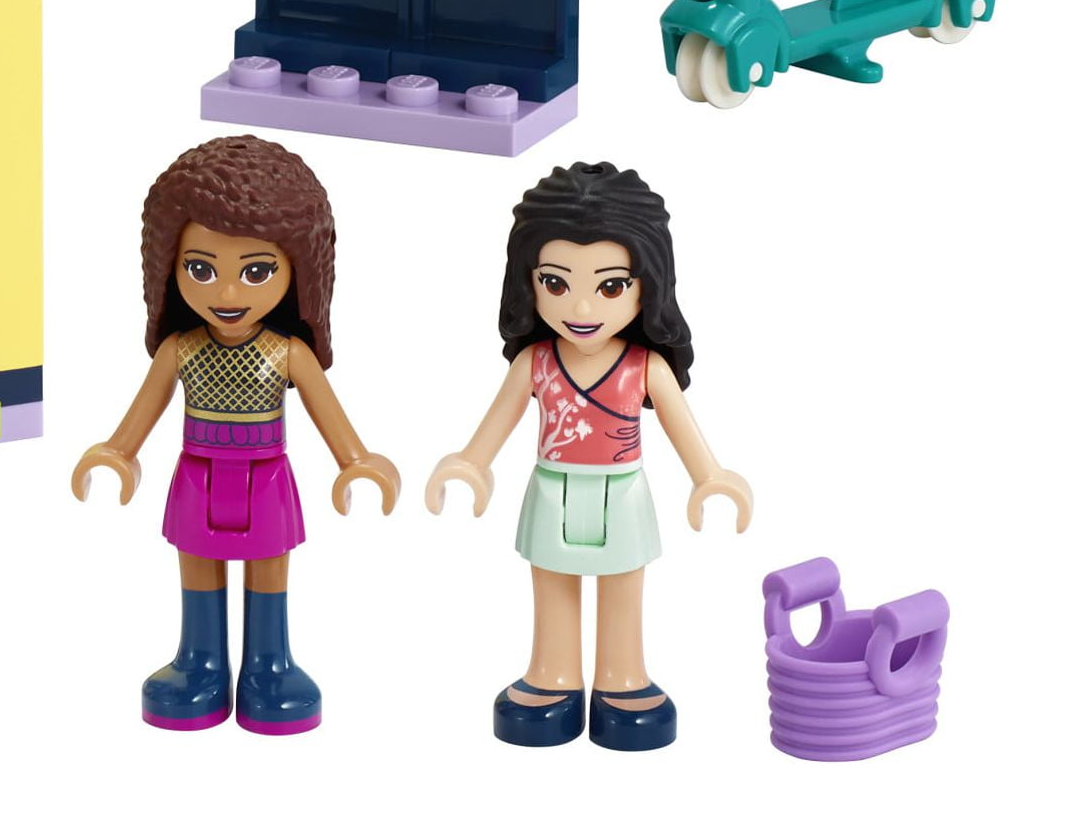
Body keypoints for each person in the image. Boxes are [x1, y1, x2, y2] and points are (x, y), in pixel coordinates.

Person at [73, 135, 397, 733]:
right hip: (196, 475)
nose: (226, 294)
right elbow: (141, 414)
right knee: (197, 566)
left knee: (269, 568)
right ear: (169, 267)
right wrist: (117, 454)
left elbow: (331, 418)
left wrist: (356, 461)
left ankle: (269, 665)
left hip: (266, 476)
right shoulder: (180, 349)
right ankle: (199, 662)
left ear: (296, 271)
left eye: (256, 272)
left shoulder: (287, 352)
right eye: (201, 269)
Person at [427, 159, 752, 749]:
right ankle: (552, 673)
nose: (581, 310)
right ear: (527, 282)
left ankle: (622, 676)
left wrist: (710, 477)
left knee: (623, 585)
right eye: (556, 283)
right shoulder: (536, 362)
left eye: (609, 286)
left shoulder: (644, 366)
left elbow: (682, 428)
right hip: (552, 486)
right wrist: (470, 464)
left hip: (622, 491)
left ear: (647, 285)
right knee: (551, 583)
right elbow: (498, 420)